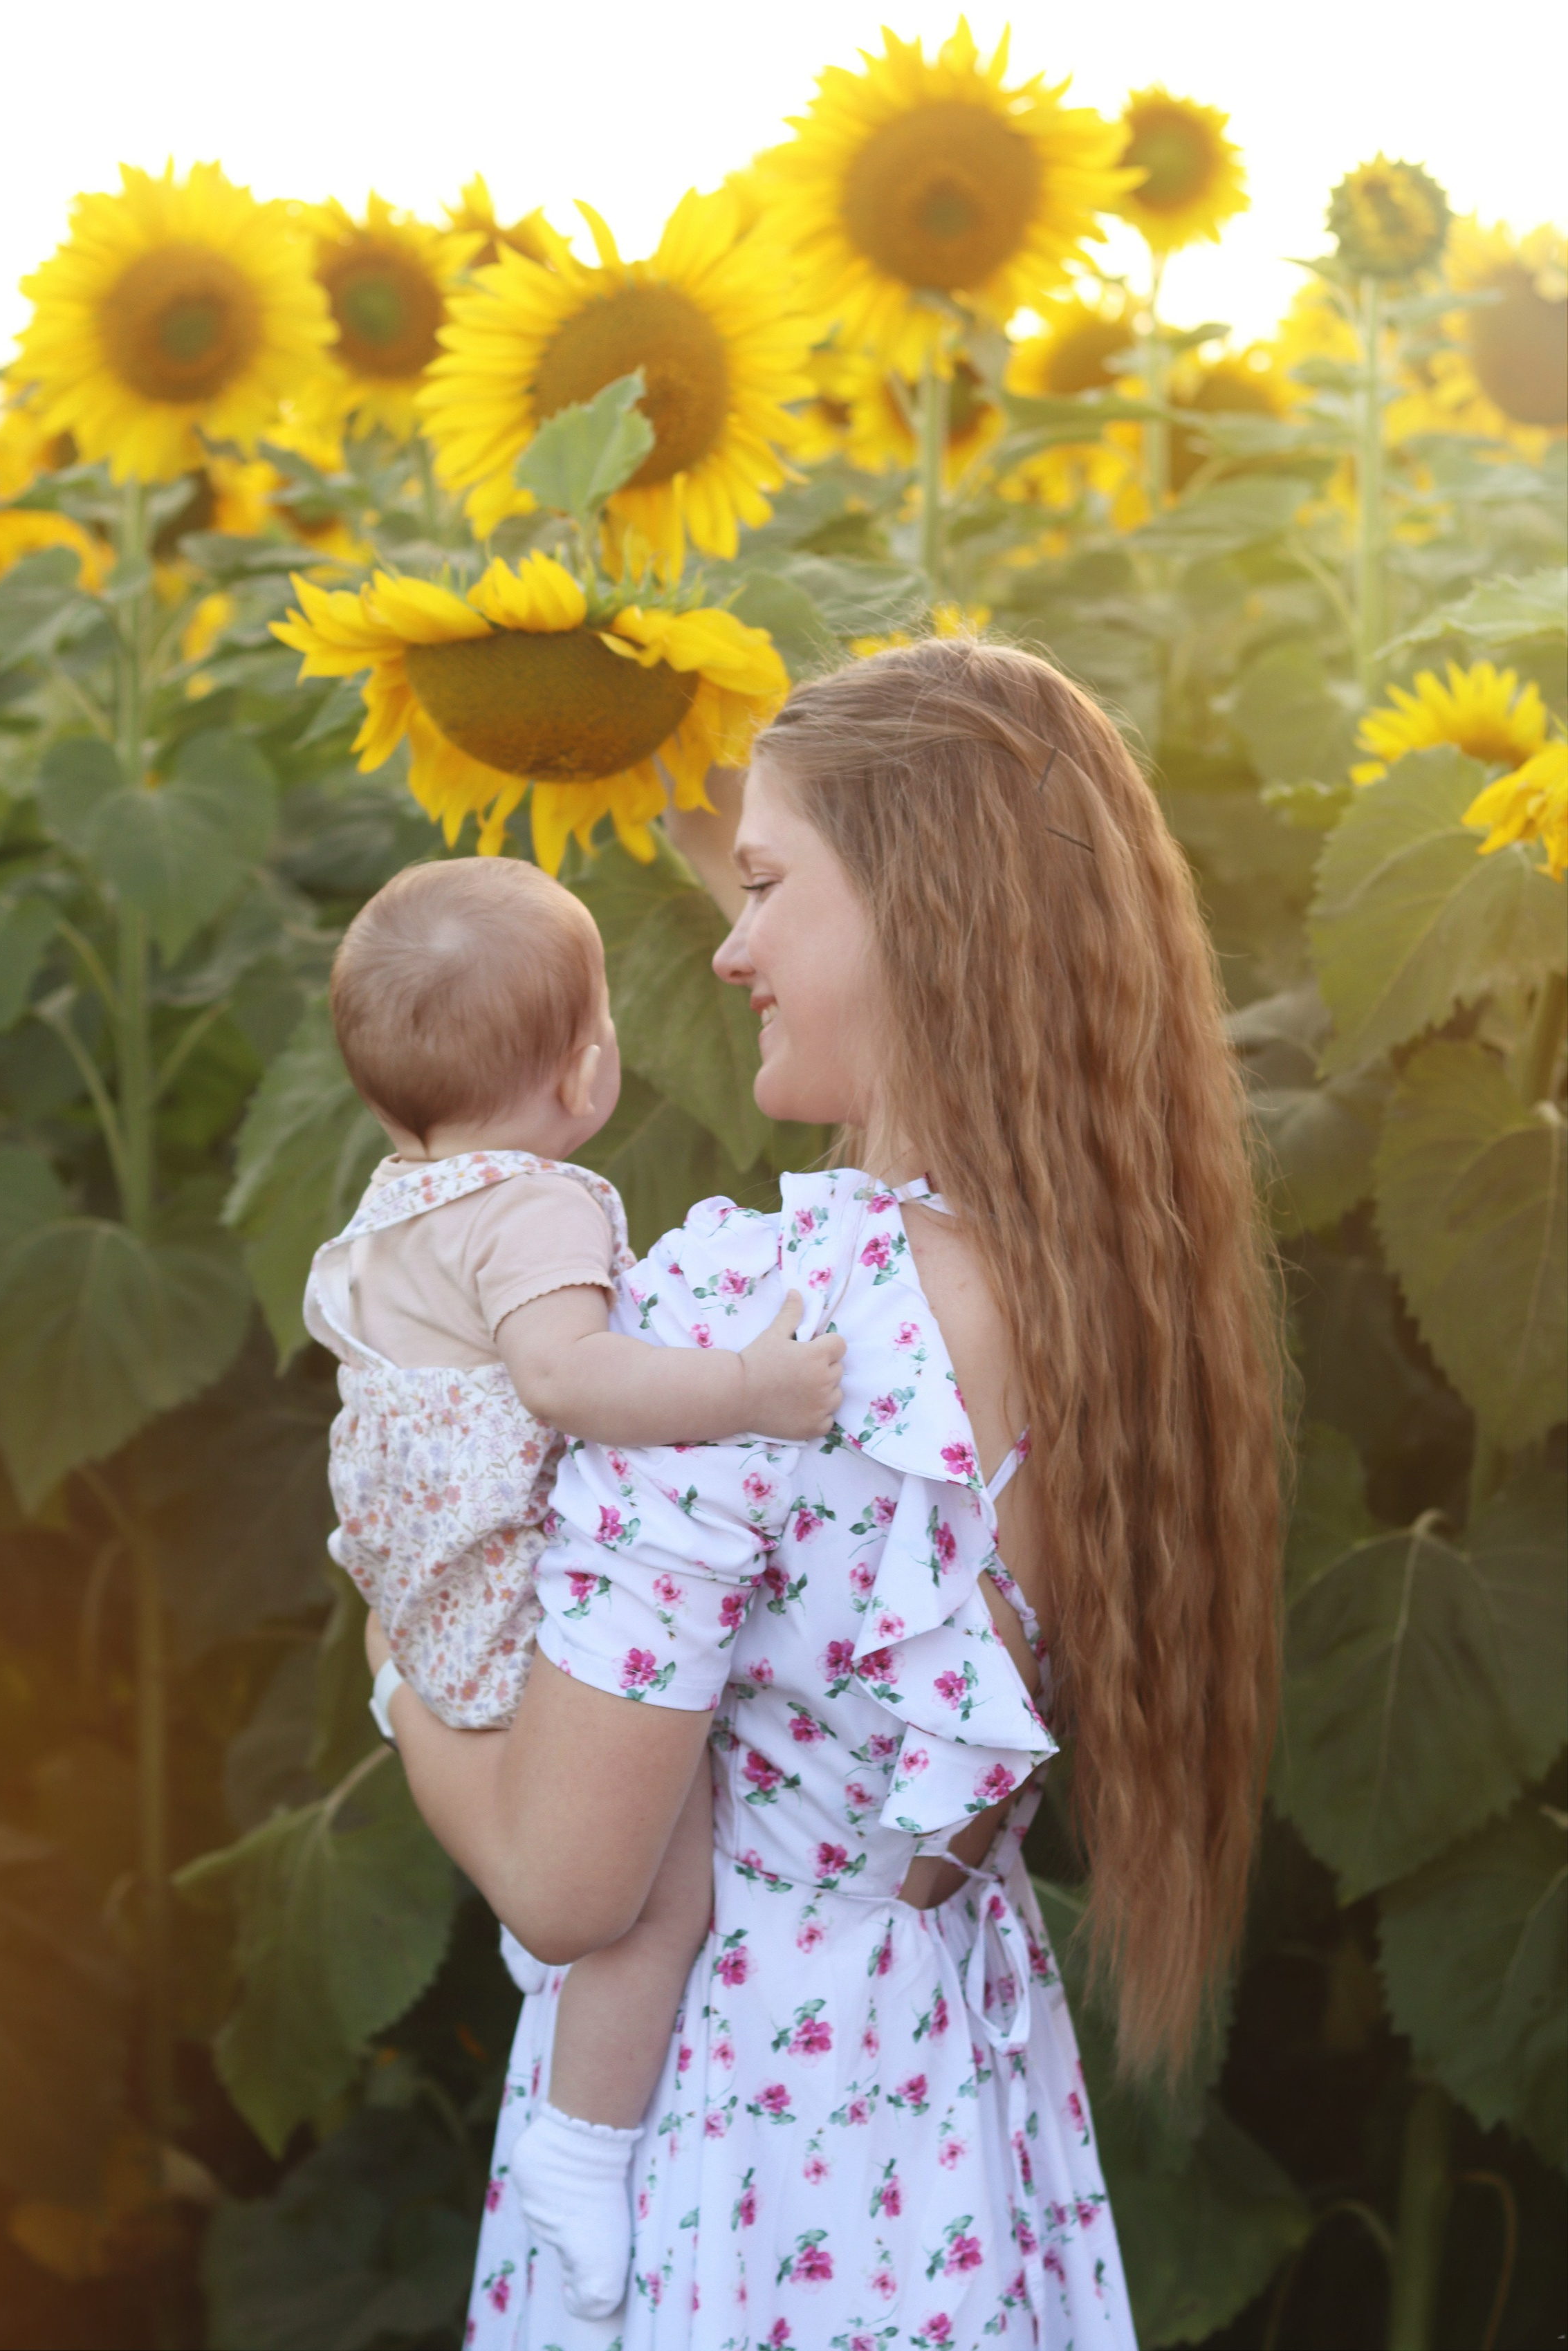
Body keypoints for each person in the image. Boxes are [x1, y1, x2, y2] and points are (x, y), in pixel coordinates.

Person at [385, 636, 1286, 2347]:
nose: (728, 950)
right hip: (953, 2096)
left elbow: (570, 1881)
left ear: (917, 907)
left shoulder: (753, 1313)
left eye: (765, 882)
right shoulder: (1122, 1306)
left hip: (730, 2117)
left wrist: (390, 1634)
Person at [305, 856, 847, 2318]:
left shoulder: (401, 1196)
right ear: (591, 1059)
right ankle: (581, 2139)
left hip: (423, 1587)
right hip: (500, 1585)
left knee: (579, 1863)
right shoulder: (532, 1206)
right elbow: (559, 1375)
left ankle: (554, 2027)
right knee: (654, 1900)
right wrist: (752, 1384)